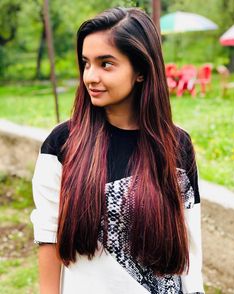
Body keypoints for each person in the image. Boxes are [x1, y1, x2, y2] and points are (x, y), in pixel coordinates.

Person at [31, 7, 204, 294]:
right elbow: (48, 238)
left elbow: (190, 243)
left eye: (106, 64)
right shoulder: (62, 143)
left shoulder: (177, 145)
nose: (90, 77)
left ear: (140, 70)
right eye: (86, 63)